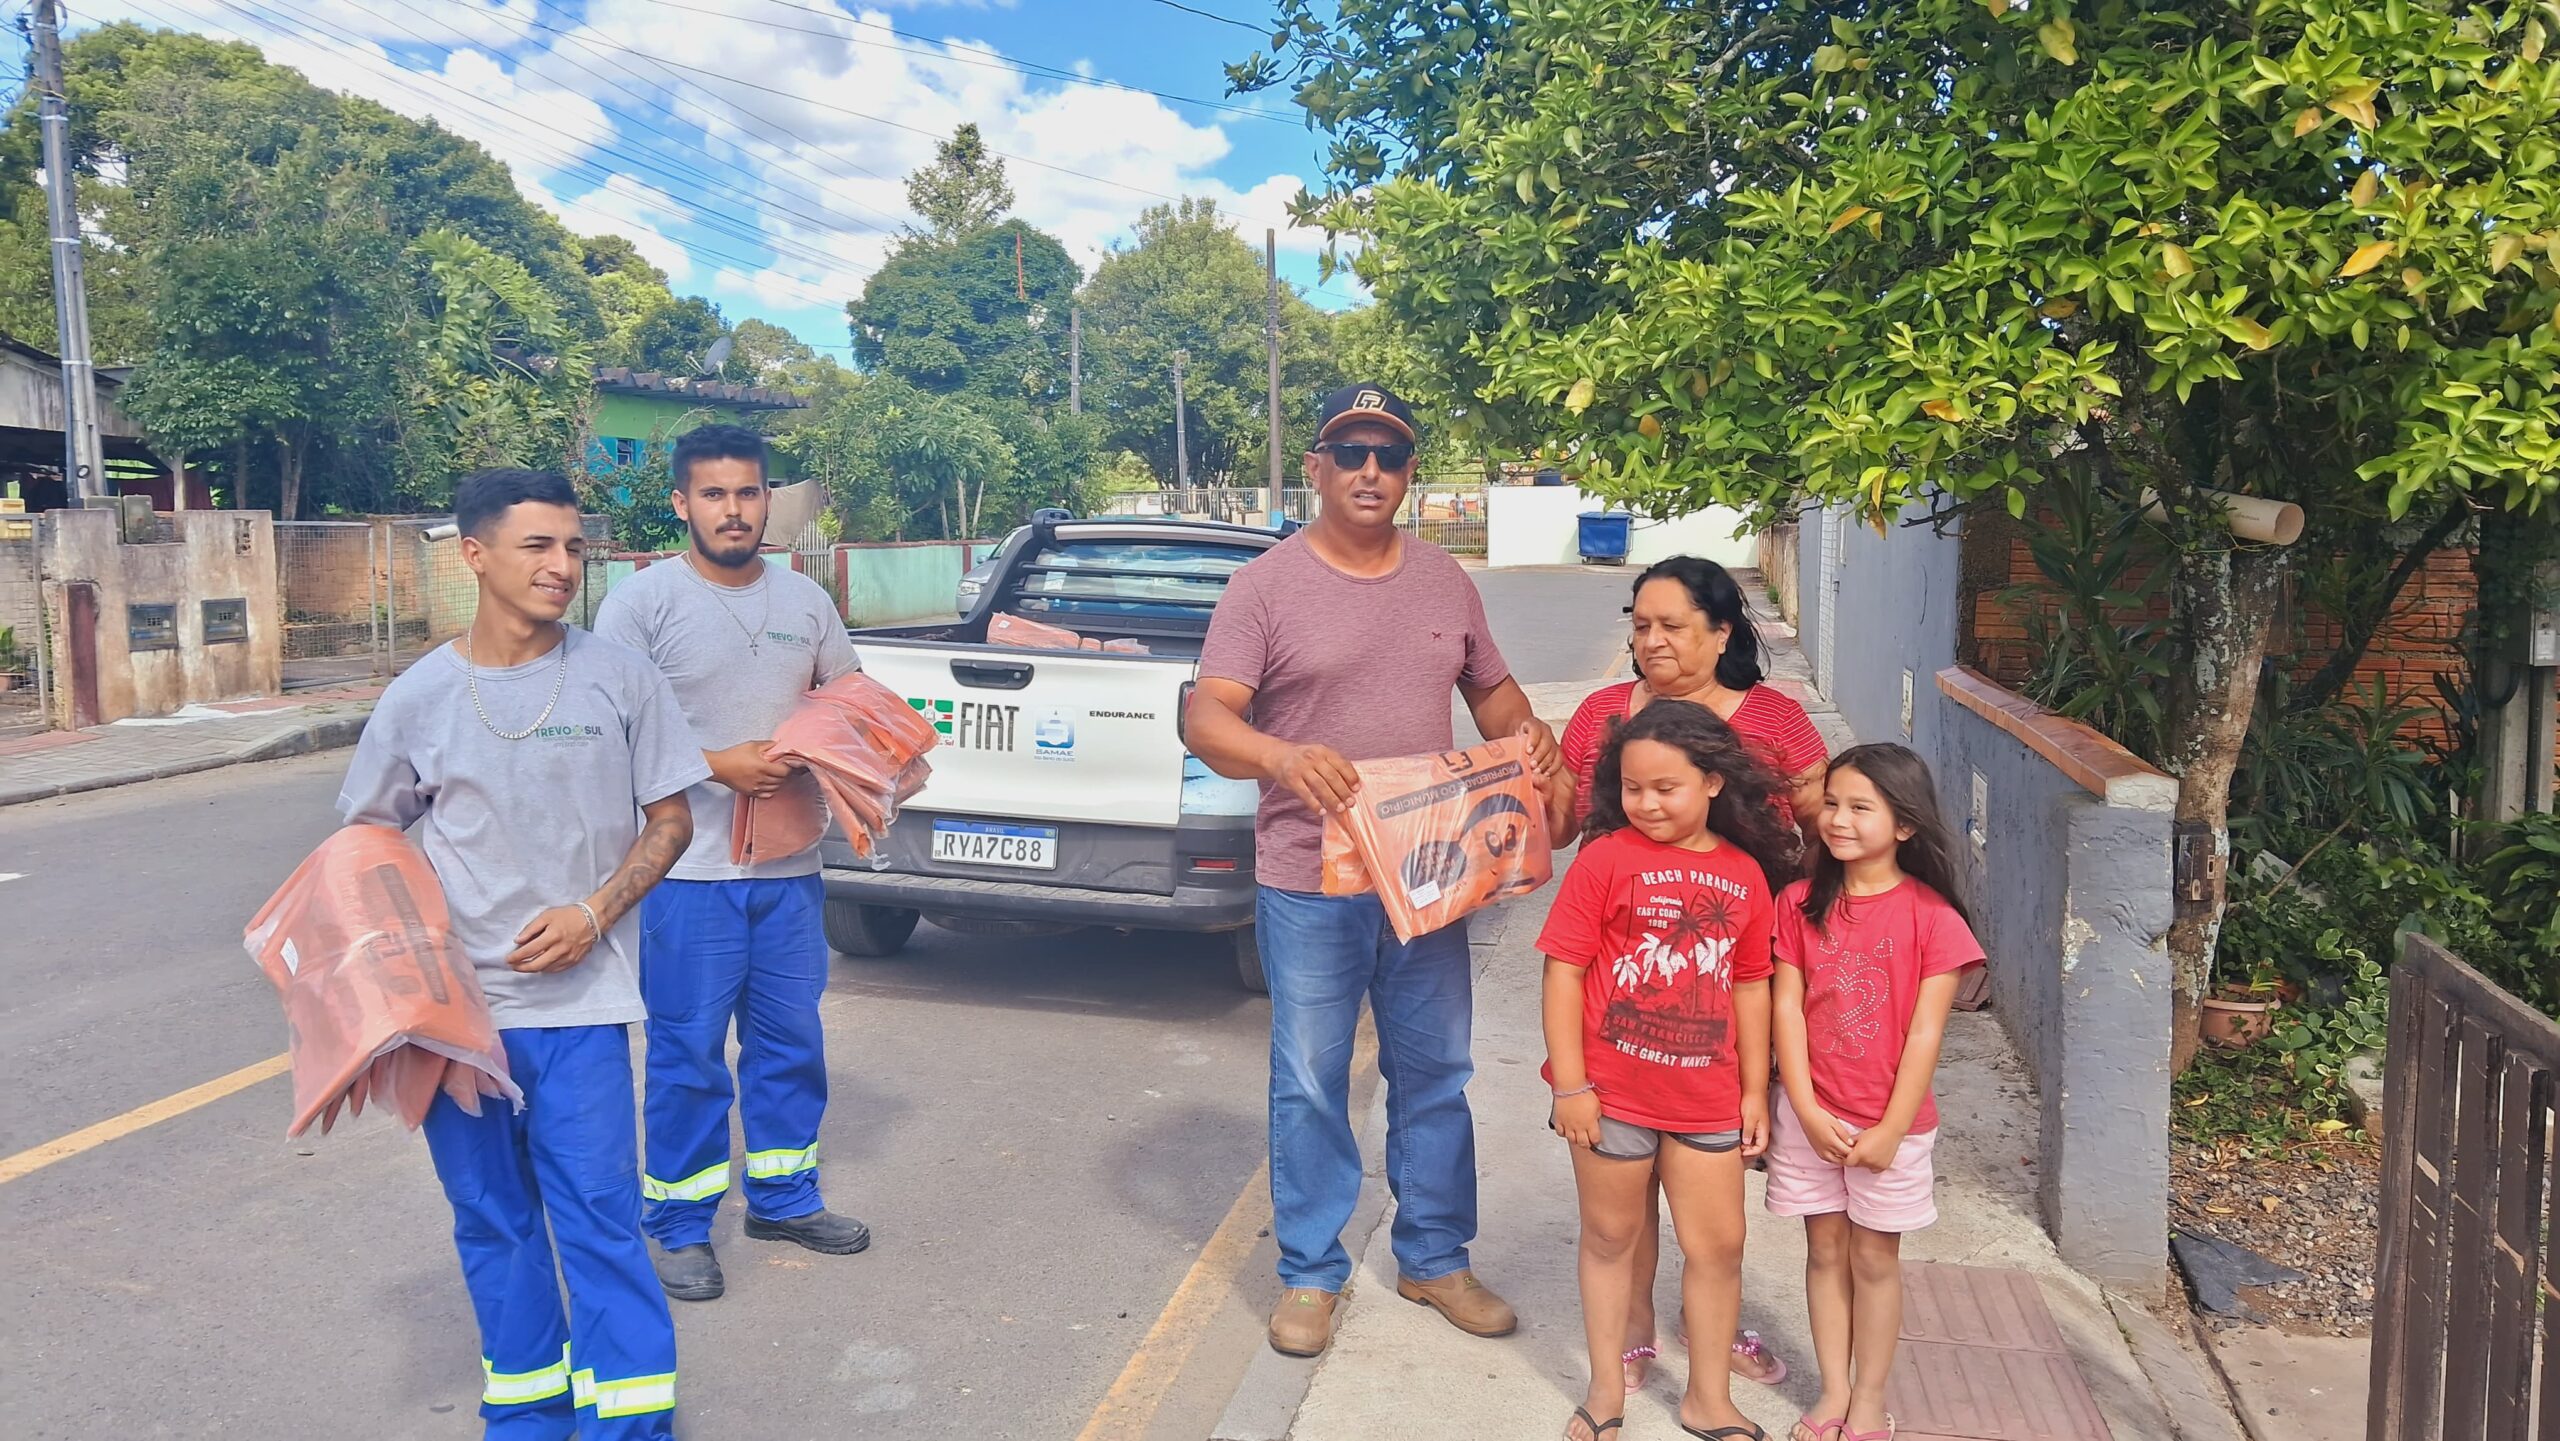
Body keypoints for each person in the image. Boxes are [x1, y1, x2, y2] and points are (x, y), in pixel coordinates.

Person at [1187, 382, 1565, 1358]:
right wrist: (1277, 757)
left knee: (1434, 1070)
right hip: (1309, 879)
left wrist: (1534, 741)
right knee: (1311, 1077)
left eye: (1388, 455)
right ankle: (1309, 1274)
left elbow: (1495, 694)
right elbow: (1209, 719)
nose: (1368, 471)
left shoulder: (1445, 580)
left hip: (1433, 873)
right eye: (1348, 451)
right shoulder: (1264, 586)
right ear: (1314, 465)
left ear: (1407, 473)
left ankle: (1433, 1255)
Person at [338, 468, 708, 1439]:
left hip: (579, 1011)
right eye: (538, 546)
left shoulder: (621, 678)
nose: (562, 566)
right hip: (458, 1028)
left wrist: (594, 913)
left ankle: (630, 1427)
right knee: (493, 1225)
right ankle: (530, 1420)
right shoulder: (419, 697)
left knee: (598, 1223)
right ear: (475, 555)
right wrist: (403, 996)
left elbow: (670, 821)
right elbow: (365, 851)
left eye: (574, 547)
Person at [592, 424, 873, 1302]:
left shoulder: (805, 601)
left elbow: (845, 698)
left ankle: (784, 1196)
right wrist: (720, 765)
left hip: (788, 869)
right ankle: (677, 1224)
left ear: (765, 500)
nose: (733, 510)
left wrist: (856, 752)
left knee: (791, 1043)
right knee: (688, 1055)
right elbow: (612, 736)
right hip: (688, 877)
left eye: (747, 493)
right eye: (713, 494)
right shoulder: (641, 607)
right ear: (682, 504)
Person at [1549, 554, 1830, 1393]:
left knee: (1718, 1172)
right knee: (1621, 1185)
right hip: (1624, 993)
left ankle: (1712, 1321)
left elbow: (1828, 825)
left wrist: (1819, 932)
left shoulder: (1774, 719)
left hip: (1740, 971)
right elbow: (1561, 824)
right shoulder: (1604, 712)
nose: (1653, 641)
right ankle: (1632, 1322)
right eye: (1640, 625)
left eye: (1673, 625)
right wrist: (1532, 778)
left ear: (1721, 632)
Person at [1539, 701, 1800, 1441]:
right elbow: (1564, 972)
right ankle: (1604, 1390)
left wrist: (1755, 1088)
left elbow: (1752, 982)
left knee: (1718, 1247)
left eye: (1666, 788)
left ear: (1713, 781)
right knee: (1610, 1239)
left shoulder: (1746, 874)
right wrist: (1570, 1085)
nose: (1646, 803)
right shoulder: (1605, 860)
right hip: (1610, 1095)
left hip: (1709, 1097)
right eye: (1631, 788)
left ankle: (1708, 1397)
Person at [1768, 744, 1982, 1441]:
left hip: (1893, 1125)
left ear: (1906, 824)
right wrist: (1801, 1106)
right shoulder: (1798, 903)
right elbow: (1787, 1010)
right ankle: (1832, 1390)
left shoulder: (1934, 919)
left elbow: (1925, 1036)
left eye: (1861, 806)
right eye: (1831, 802)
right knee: (1824, 1250)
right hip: (1811, 1117)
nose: (1838, 818)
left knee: (1873, 1258)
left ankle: (1868, 1397)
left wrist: (1890, 1129)